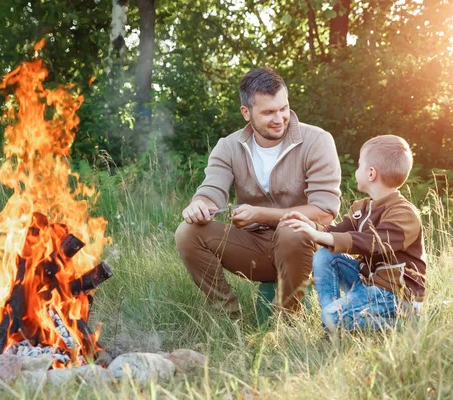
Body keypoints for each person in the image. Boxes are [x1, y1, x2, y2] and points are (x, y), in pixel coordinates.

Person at [174, 67, 342, 313]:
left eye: (283, 108)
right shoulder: (228, 147)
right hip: (255, 248)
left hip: (307, 248)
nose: (279, 118)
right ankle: (230, 318)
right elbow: (211, 190)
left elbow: (325, 211)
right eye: (268, 112)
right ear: (246, 112)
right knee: (187, 232)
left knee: (291, 228)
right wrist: (199, 203)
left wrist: (261, 214)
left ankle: (288, 319)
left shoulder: (317, 140)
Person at [282, 135, 426, 332]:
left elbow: (372, 242)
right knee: (325, 256)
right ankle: (331, 324)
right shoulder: (362, 208)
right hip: (368, 284)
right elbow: (338, 232)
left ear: (371, 174)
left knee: (334, 317)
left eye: (359, 165)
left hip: (396, 295)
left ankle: (403, 325)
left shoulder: (404, 213)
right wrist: (311, 227)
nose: (356, 170)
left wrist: (320, 236)